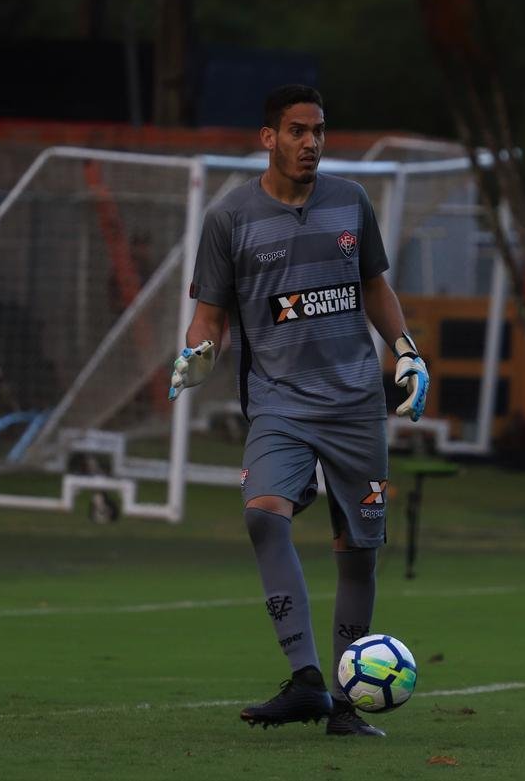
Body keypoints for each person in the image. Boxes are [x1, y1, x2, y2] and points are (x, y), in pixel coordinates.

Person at [168, 84, 429, 738]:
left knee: (357, 549)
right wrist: (199, 350)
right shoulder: (229, 218)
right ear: (268, 137)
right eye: (296, 131)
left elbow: (375, 285)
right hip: (279, 402)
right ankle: (307, 678)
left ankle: (346, 704)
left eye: (318, 130)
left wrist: (406, 351)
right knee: (263, 515)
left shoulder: (351, 202)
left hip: (355, 406)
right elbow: (211, 312)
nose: (311, 142)